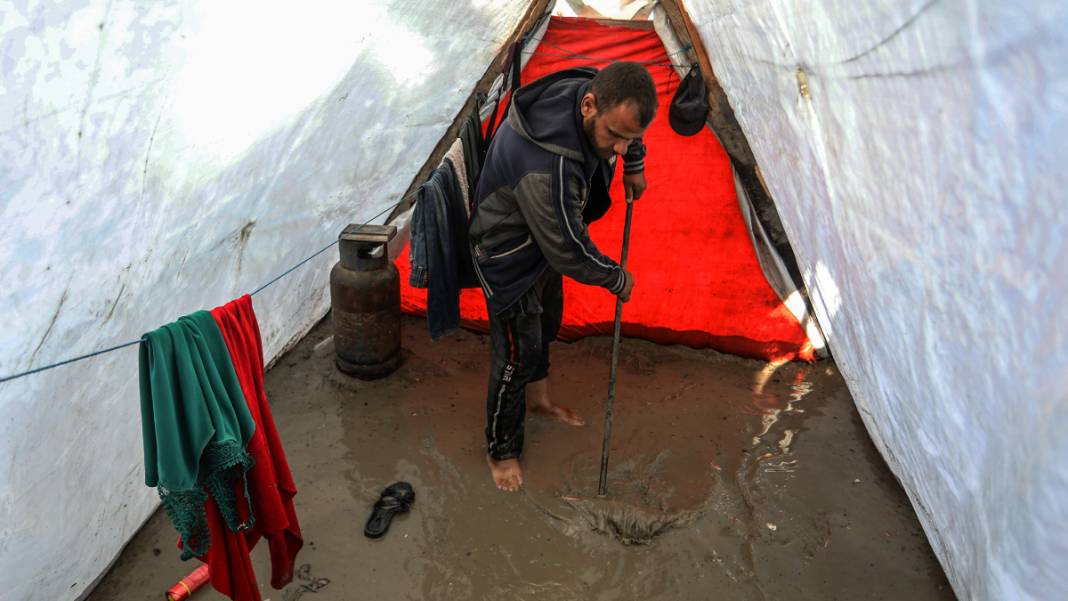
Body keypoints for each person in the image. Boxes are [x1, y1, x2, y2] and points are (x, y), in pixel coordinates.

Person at [469, 61, 658, 491]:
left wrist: (634, 164)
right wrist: (615, 277)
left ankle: (539, 402)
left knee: (546, 323)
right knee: (515, 355)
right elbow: (568, 249)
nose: (620, 148)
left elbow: (629, 129)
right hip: (507, 253)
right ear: (589, 106)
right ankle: (500, 449)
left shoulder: (593, 89)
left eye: (630, 138)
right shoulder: (546, 166)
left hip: (540, 243)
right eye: (614, 136)